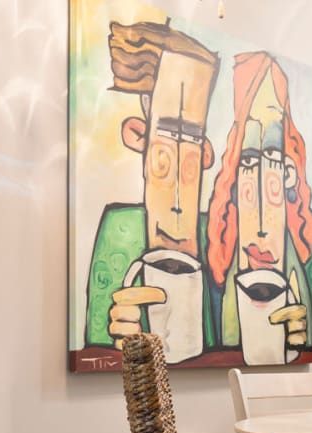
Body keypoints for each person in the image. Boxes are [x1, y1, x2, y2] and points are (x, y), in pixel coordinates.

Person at [83, 20, 219, 360]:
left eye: (191, 146)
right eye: (162, 154)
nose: (176, 199)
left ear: (205, 155)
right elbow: (93, 349)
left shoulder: (221, 237)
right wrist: (114, 333)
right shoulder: (119, 230)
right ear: (137, 137)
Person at [206, 51, 312, 365]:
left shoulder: (311, 270)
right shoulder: (207, 283)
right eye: (248, 161)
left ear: (289, 174)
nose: (261, 230)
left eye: (273, 159)